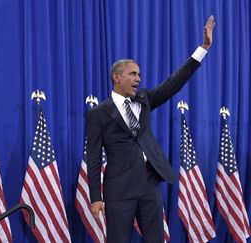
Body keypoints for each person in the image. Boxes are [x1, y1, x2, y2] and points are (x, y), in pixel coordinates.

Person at [86, 16, 215, 243]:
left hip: (149, 185)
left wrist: (203, 49)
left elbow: (174, 82)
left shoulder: (144, 99)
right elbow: (94, 157)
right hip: (119, 190)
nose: (139, 78)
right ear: (117, 77)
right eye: (132, 74)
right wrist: (95, 197)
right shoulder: (98, 113)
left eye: (139, 74)